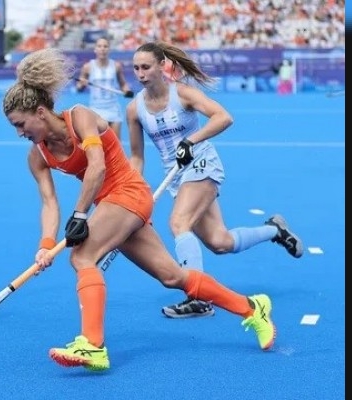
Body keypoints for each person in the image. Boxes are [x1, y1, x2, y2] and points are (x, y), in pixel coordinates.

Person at [2, 48, 276, 372]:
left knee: (81, 257)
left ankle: (93, 345)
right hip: (113, 206)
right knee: (172, 277)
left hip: (128, 193)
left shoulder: (80, 117)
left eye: (21, 124)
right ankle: (251, 308)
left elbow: (97, 167)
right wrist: (45, 245)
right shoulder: (37, 156)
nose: (20, 133)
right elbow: (49, 203)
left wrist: (80, 215)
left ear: (40, 111)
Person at [126, 41, 304, 319]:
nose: (140, 73)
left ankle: (197, 297)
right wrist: (131, 192)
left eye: (146, 67)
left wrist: (191, 140)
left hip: (202, 163)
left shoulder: (183, 94)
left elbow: (224, 117)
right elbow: (137, 157)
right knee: (220, 242)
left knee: (178, 223)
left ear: (163, 66)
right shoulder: (135, 109)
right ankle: (275, 231)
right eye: (136, 68)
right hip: (175, 177)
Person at [74, 37, 133, 139]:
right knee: (99, 145)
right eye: (99, 46)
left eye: (105, 46)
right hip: (96, 110)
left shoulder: (116, 66)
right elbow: (79, 88)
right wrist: (81, 85)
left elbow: (123, 84)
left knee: (115, 144)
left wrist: (126, 90)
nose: (102, 49)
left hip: (113, 109)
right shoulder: (87, 67)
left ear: (109, 49)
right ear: (95, 49)